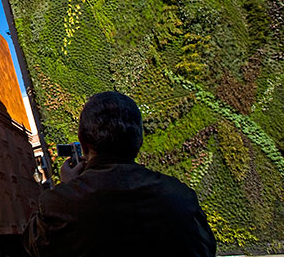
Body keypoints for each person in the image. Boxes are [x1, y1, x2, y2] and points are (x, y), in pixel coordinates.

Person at [23, 91, 216, 257]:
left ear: (82, 140)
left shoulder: (61, 204)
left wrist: (68, 187)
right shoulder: (181, 198)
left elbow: (34, 244)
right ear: (139, 139)